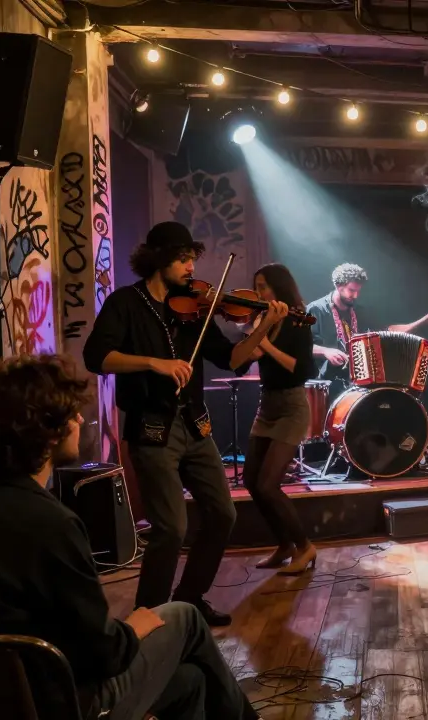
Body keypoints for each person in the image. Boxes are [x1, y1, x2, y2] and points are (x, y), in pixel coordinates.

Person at [0, 355, 260, 720]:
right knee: (185, 617)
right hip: (60, 703)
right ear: (49, 433)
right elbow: (104, 654)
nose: (81, 420)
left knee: (190, 682)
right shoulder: (53, 524)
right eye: (72, 414)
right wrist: (131, 628)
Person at [84, 221, 286, 625]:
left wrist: (264, 326)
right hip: (151, 427)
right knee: (171, 527)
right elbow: (96, 357)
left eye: (192, 258)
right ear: (158, 260)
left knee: (223, 513)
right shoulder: (126, 303)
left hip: (194, 424)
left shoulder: (196, 308)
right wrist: (153, 362)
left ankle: (190, 598)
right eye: (182, 259)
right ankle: (151, 615)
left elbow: (229, 358)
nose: (191, 267)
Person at [239, 263, 318, 575]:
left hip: (291, 406)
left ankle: (305, 546)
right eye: (256, 287)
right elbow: (247, 360)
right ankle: (284, 544)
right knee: (251, 482)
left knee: (269, 485)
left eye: (264, 287)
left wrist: (266, 345)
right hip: (267, 405)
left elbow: (301, 370)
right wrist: (250, 344)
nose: (259, 293)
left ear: (280, 288)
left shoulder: (298, 321)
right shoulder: (262, 318)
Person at [305, 262, 428, 388]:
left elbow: (388, 331)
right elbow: (300, 346)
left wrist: (423, 321)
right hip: (325, 384)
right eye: (352, 290)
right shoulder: (316, 310)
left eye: (358, 291)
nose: (355, 296)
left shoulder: (359, 311)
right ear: (338, 285)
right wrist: (326, 351)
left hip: (356, 384)